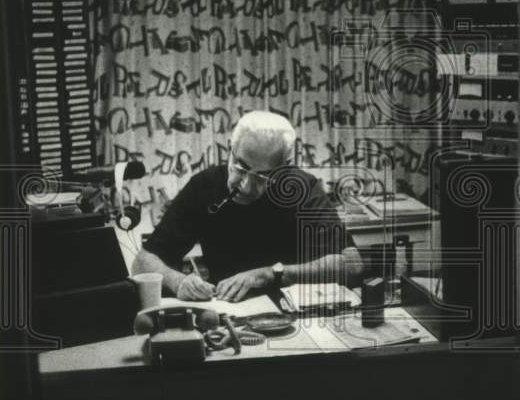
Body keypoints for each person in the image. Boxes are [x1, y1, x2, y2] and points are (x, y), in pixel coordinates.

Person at [132, 110, 362, 301]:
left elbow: (352, 265)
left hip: (295, 315)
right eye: (240, 167)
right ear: (231, 148)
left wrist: (270, 274)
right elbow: (142, 263)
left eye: (262, 177)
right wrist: (178, 282)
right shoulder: (205, 186)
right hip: (229, 315)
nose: (244, 185)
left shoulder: (303, 188)